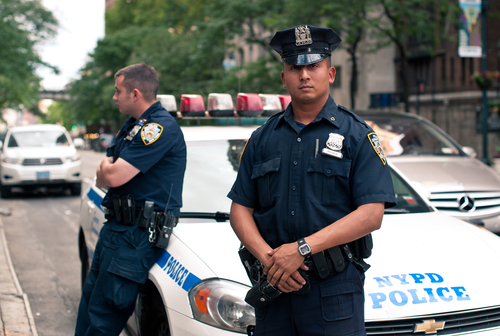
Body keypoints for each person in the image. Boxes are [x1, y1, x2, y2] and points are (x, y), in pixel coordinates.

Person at [227, 25, 396, 336]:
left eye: (313, 66)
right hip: (274, 288)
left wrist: (301, 249)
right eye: (295, 68)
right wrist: (271, 261)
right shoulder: (262, 138)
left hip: (333, 291)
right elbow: (240, 209)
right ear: (284, 78)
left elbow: (372, 214)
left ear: (330, 74)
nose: (304, 75)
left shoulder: (357, 135)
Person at [75, 63, 187, 336]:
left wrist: (108, 169)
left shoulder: (159, 128)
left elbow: (111, 176)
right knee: (90, 306)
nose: (114, 97)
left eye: (118, 91)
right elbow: (107, 171)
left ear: (135, 94)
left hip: (136, 236)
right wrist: (108, 169)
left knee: (104, 318)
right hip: (117, 229)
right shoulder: (134, 125)